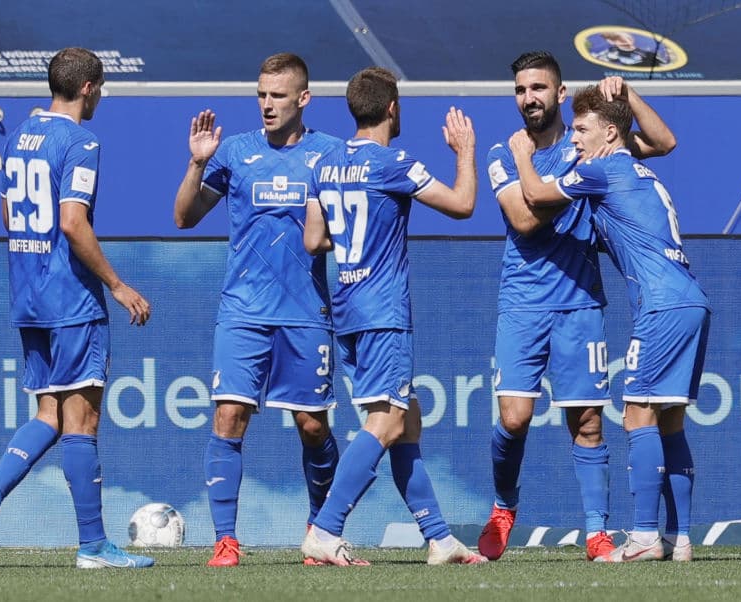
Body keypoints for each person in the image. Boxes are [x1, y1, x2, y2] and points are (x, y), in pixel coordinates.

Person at [0, 47, 154, 570]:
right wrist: (116, 284)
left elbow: (5, 209)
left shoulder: (22, 136)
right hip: (70, 297)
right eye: (101, 90)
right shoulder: (81, 140)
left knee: (50, 412)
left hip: (28, 296)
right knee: (82, 421)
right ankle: (93, 546)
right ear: (89, 88)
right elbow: (72, 222)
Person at [480, 51, 677, 561]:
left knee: (588, 421)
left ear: (560, 94)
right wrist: (549, 168)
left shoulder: (589, 143)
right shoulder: (505, 152)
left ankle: (596, 532)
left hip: (580, 302)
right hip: (522, 304)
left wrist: (628, 94)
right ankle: (504, 505)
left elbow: (663, 142)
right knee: (516, 417)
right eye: (521, 90)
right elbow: (525, 219)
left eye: (539, 88)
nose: (530, 99)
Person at [510, 84, 709, 562]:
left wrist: (521, 154)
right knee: (671, 421)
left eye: (582, 129)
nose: (574, 138)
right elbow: (661, 145)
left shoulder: (601, 170)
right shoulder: (640, 173)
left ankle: (642, 537)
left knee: (637, 413)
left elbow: (535, 194)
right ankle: (677, 539)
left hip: (660, 305)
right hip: (690, 300)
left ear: (610, 133)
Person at [300, 67, 486, 567]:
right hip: (383, 310)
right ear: (392, 109)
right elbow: (464, 204)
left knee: (407, 420)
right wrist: (464, 152)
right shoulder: (394, 164)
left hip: (347, 308)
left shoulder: (323, 163)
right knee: (387, 421)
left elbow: (313, 241)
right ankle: (325, 528)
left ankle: (440, 539)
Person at [172, 53, 345, 568]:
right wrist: (198, 162)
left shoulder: (331, 155)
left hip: (306, 312)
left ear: (303, 99)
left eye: (277, 95)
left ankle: (320, 533)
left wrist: (329, 237)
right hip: (243, 311)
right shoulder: (234, 152)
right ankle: (225, 540)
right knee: (229, 415)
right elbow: (184, 216)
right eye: (261, 95)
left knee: (313, 427)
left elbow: (354, 225)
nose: (267, 105)